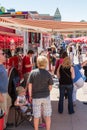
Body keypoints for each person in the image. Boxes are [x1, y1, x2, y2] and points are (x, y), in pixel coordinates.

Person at [27, 55, 53, 130]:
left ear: (37, 63)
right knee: (47, 115)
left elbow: (30, 86)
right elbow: (50, 87)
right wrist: (47, 91)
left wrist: (30, 96)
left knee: (36, 115)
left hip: (36, 97)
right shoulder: (48, 73)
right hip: (46, 96)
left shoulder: (33, 73)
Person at [0, 49, 12, 130]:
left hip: (5, 92)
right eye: (2, 54)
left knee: (7, 107)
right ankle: (3, 126)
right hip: (2, 93)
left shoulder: (2, 66)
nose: (4, 55)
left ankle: (5, 125)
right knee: (3, 111)